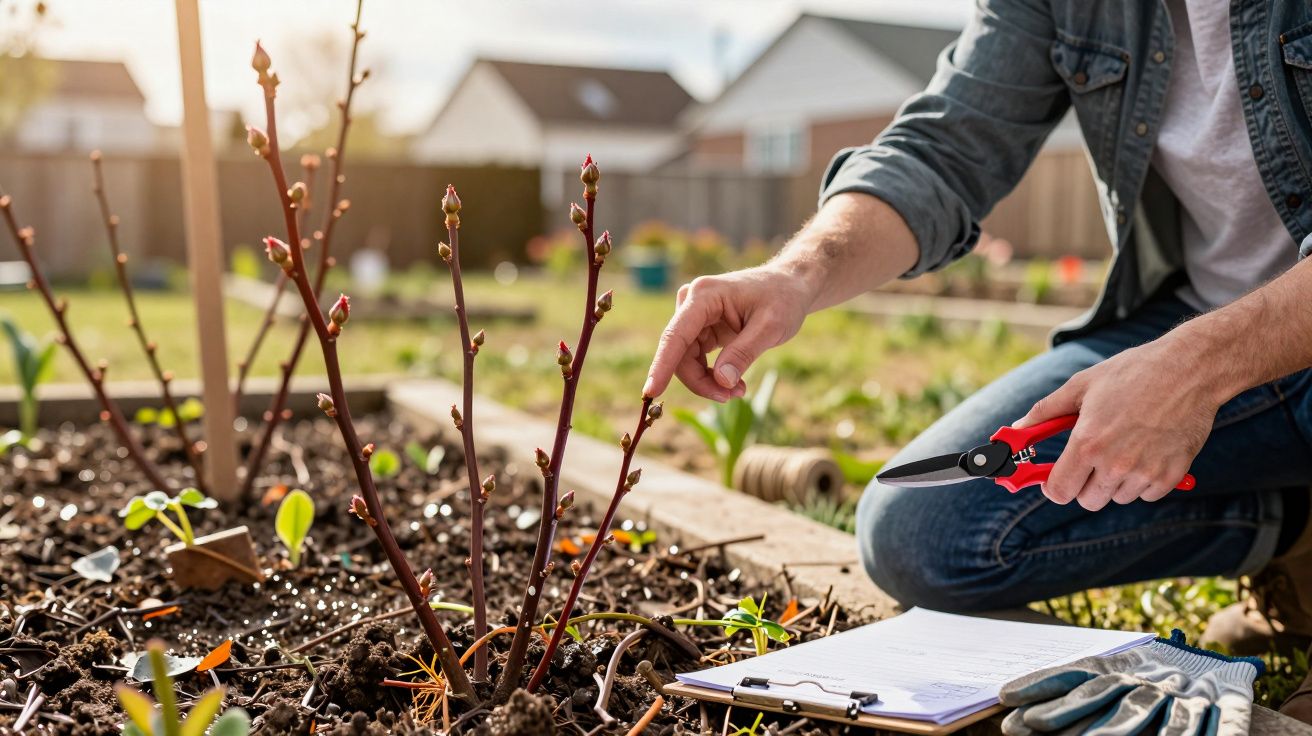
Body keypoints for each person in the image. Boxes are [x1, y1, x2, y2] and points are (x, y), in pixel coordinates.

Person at [644, 0, 1312, 720]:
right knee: (922, 533)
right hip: (1197, 315)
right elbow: (944, 151)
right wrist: (796, 275)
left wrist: (1194, 370)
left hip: (1239, 337)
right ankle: (1298, 531)